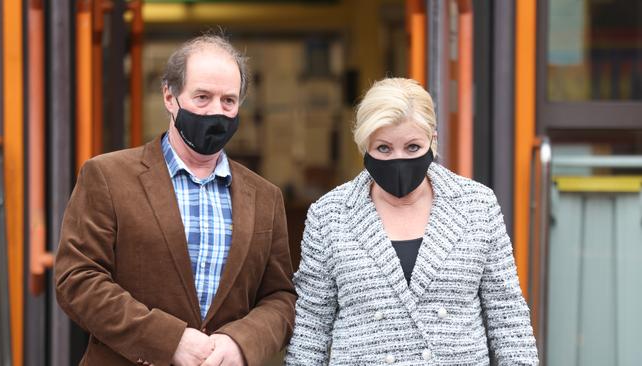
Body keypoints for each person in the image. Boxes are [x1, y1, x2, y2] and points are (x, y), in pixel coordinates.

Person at [55, 33, 296, 366]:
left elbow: (280, 297)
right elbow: (77, 279)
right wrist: (169, 341)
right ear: (169, 96)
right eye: (202, 97)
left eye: (228, 101)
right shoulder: (108, 176)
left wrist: (241, 343)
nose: (216, 111)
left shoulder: (266, 197)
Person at [285, 78, 538, 365]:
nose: (398, 159)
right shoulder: (330, 214)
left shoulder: (477, 204)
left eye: (412, 147)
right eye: (383, 148)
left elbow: (507, 316)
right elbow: (312, 326)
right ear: (364, 145)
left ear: (433, 140)